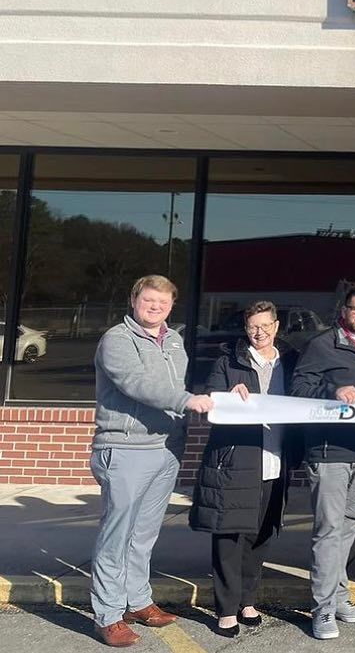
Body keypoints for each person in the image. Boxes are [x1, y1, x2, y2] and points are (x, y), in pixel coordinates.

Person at [89, 275, 214, 648]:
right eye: (148, 300)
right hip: (126, 448)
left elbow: (177, 385)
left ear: (171, 306)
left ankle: (137, 600)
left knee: (144, 534)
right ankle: (108, 615)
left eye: (162, 301)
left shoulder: (174, 340)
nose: (155, 306)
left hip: (167, 447)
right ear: (134, 300)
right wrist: (187, 401)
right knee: (117, 534)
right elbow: (136, 383)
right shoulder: (117, 340)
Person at [189, 300, 299, 637]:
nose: (259, 332)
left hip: (276, 461)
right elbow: (209, 398)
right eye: (253, 326)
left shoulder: (291, 361)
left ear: (277, 326)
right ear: (245, 328)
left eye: (266, 325)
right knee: (230, 536)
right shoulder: (228, 361)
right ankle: (225, 608)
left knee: (261, 535)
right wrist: (225, 393)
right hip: (235, 461)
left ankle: (247, 600)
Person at [290, 283, 355, 641]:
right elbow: (299, 389)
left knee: (348, 527)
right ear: (344, 311)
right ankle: (322, 610)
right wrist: (331, 393)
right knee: (328, 530)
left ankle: (338, 595)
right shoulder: (321, 344)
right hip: (329, 450)